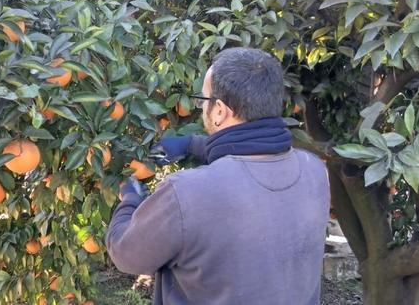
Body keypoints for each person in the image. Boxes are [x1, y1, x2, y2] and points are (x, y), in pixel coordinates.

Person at [105, 47, 330, 305]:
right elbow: (251, 151)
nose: (201, 107)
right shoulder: (315, 171)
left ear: (220, 110)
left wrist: (130, 199)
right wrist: (192, 144)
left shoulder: (188, 194)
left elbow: (126, 254)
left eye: (203, 99)